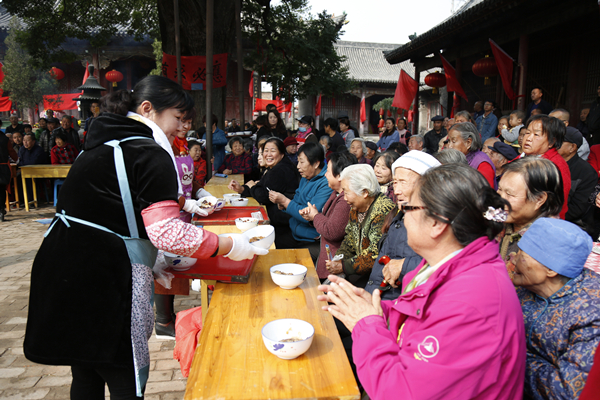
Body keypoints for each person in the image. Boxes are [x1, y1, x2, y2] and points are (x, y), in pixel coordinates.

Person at [23, 77, 267, 399]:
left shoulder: (97, 146)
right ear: (148, 109)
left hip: (62, 267)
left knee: (85, 370)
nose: (181, 128)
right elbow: (166, 231)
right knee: (125, 373)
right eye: (178, 118)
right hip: (109, 276)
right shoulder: (147, 152)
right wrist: (232, 245)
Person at [317, 163, 525, 400]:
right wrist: (378, 310)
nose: (401, 217)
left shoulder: (471, 303)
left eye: (407, 209)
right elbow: (419, 317)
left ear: (436, 223)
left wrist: (366, 325)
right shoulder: (447, 263)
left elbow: (399, 392)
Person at [512, 218, 599, 400]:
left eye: (522, 254)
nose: (513, 259)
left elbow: (568, 390)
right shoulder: (524, 286)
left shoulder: (590, 313)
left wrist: (508, 354)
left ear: (551, 269)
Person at [365, 151, 440, 301]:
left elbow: (446, 263)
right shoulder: (399, 215)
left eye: (403, 182)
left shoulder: (436, 221)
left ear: (425, 185)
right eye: (395, 183)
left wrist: (404, 265)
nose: (397, 191)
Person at [324, 163, 395, 289]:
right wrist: (338, 259)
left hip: (378, 276)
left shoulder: (383, 210)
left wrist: (344, 266)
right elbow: (349, 240)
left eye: (347, 192)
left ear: (365, 192)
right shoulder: (356, 207)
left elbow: (375, 254)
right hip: (360, 271)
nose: (344, 198)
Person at [497, 157, 564, 272]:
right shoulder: (499, 220)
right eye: (499, 190)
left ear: (539, 199)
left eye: (509, 194)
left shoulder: (548, 244)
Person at [269, 142, 332, 261]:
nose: (298, 166)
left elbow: (308, 215)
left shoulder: (326, 184)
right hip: (295, 232)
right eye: (298, 161)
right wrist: (284, 206)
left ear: (316, 163)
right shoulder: (306, 177)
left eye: (302, 162)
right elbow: (297, 200)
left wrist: (286, 202)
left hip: (309, 238)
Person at [299, 152, 356, 280]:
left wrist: (315, 216)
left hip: (335, 263)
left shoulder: (345, 201)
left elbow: (332, 231)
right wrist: (312, 217)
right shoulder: (336, 193)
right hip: (327, 254)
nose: (325, 174)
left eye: (328, 172)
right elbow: (327, 219)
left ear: (340, 176)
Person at [229, 137, 300, 231]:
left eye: (273, 151)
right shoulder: (275, 167)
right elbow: (262, 187)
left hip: (284, 224)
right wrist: (242, 189)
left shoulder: (280, 170)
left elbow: (263, 196)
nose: (268, 154)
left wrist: (253, 187)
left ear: (282, 153)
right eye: (266, 151)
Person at [522, 114, 571, 219]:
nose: (528, 138)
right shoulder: (521, 157)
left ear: (551, 141)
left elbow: (557, 205)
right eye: (527, 133)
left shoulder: (556, 165)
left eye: (536, 135)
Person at [558, 127, 597, 235]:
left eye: (559, 141)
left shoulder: (586, 172)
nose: (554, 143)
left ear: (572, 147)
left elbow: (578, 209)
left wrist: (548, 217)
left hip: (574, 228)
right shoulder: (549, 165)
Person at [446, 122, 496, 189]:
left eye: (454, 141)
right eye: (449, 141)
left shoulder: (483, 164)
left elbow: (486, 195)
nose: (450, 146)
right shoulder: (457, 158)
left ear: (468, 142)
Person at [0, 130, 18, 221]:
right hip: (3, 167)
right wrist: (17, 159)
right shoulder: (5, 139)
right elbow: (11, 152)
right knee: (2, 189)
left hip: (3, 166)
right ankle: (1, 210)